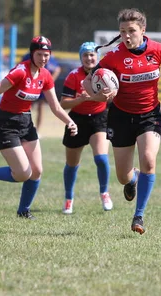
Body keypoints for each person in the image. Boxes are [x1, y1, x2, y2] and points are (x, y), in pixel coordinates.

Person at [82, 8, 161, 234]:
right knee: (123, 176)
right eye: (122, 32)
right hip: (121, 117)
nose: (127, 36)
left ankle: (139, 216)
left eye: (131, 31)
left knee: (149, 160)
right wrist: (99, 95)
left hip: (149, 116)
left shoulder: (158, 51)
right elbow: (87, 82)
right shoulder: (113, 57)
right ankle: (133, 180)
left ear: (143, 30)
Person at [0, 36, 78, 219]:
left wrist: (69, 121)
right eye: (39, 54)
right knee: (22, 173)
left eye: (46, 55)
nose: (43, 58)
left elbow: (55, 106)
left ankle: (23, 211)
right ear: (32, 53)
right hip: (5, 123)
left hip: (25, 122)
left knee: (36, 171)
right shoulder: (20, 71)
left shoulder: (45, 75)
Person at [59, 41, 114, 214]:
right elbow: (63, 104)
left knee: (101, 158)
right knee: (72, 164)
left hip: (99, 118)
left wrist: (110, 95)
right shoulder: (73, 76)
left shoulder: (105, 74)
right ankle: (69, 199)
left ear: (97, 56)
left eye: (92, 54)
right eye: (85, 55)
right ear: (80, 57)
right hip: (76, 120)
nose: (89, 58)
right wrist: (80, 99)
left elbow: (113, 96)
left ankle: (104, 193)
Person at [22, 51, 61, 136]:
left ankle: (37, 131)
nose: (42, 57)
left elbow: (57, 69)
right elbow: (21, 67)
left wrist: (48, 82)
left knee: (40, 107)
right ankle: (24, 128)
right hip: (29, 86)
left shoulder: (48, 57)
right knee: (25, 107)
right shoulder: (27, 56)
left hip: (40, 86)